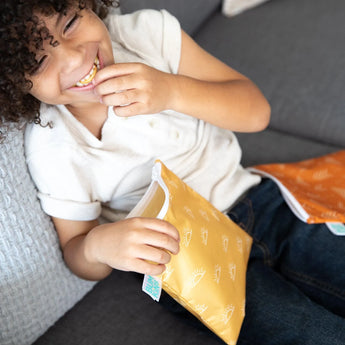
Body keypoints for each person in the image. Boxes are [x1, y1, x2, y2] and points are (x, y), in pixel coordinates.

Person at [1, 0, 345, 344]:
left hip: (259, 202)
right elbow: (77, 250)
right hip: (187, 263)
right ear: (18, 83)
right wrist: (97, 248)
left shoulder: (146, 36)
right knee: (312, 333)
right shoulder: (52, 147)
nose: (75, 58)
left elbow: (256, 112)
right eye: (41, 60)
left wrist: (172, 90)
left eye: (71, 22)